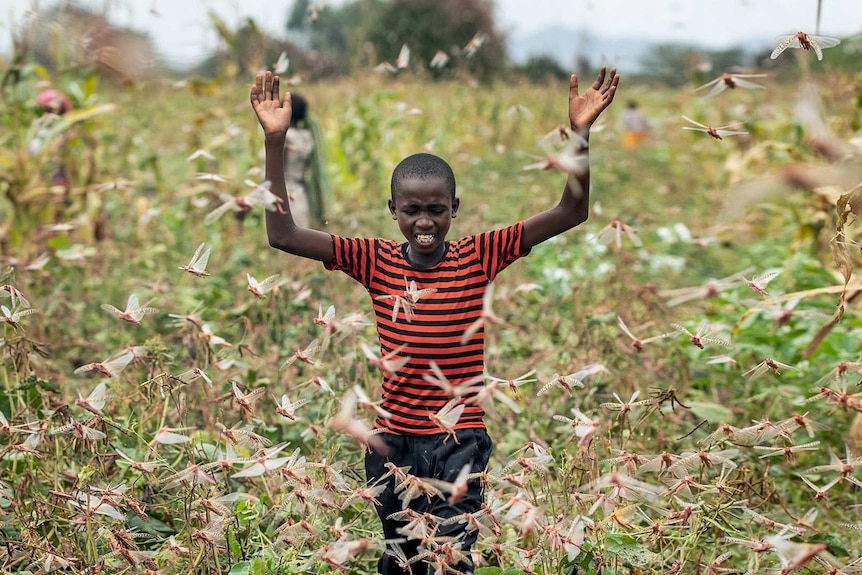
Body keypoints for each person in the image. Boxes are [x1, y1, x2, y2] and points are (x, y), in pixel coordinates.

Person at [250, 67, 619, 575]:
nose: (425, 222)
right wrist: (275, 141)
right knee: (403, 561)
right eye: (412, 210)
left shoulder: (482, 253)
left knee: (449, 558)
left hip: (459, 440)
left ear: (455, 209)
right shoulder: (372, 259)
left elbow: (571, 210)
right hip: (392, 445)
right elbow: (283, 234)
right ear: (393, 210)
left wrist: (580, 133)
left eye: (437, 210)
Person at [282, 92, 329, 228]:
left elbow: (277, 168)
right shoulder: (306, 135)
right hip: (300, 193)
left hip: (284, 193)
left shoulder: (285, 137)